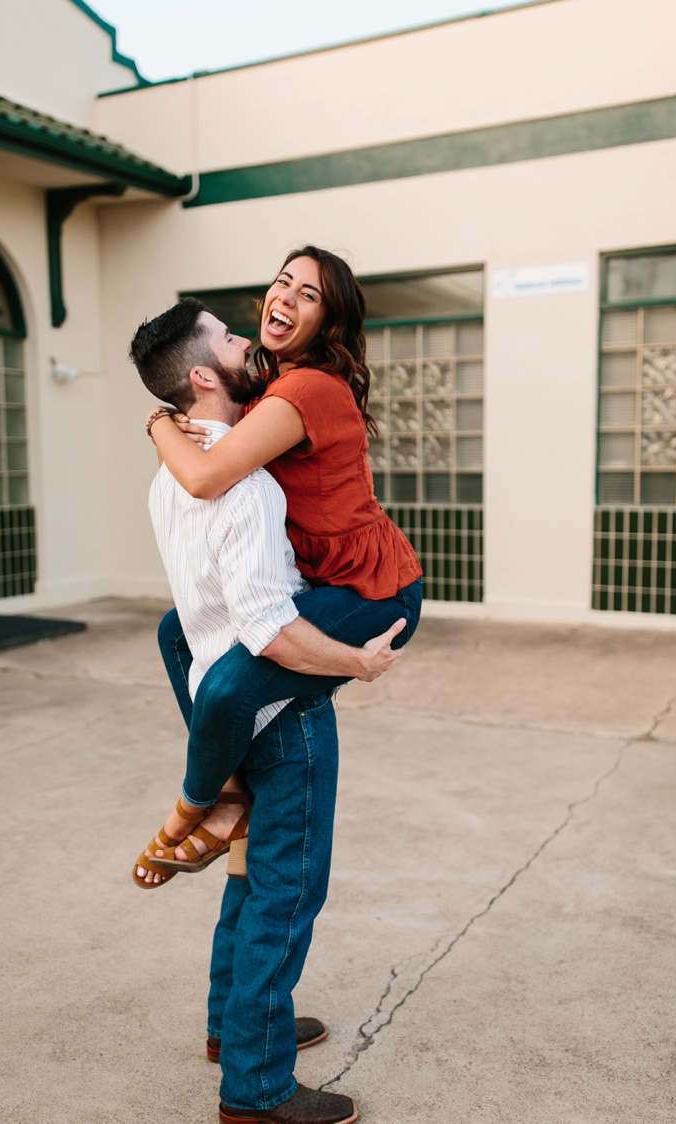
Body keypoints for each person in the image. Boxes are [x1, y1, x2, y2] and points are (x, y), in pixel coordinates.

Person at [129, 297, 393, 1124]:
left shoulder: (168, 478)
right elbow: (273, 633)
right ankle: (257, 1088)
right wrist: (357, 662)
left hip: (222, 697)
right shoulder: (242, 489)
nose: (252, 342)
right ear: (206, 375)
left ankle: (231, 1027)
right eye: (233, 339)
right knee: (285, 890)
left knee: (246, 877)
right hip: (283, 715)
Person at [141, 247, 424, 871]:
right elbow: (209, 407)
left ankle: (200, 804)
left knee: (230, 683)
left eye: (310, 296)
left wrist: (160, 423)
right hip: (321, 578)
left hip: (370, 589)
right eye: (283, 283)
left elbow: (208, 474)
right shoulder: (268, 383)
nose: (286, 299)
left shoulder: (306, 389)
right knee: (177, 633)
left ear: (328, 323)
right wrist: (170, 410)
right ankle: (236, 791)